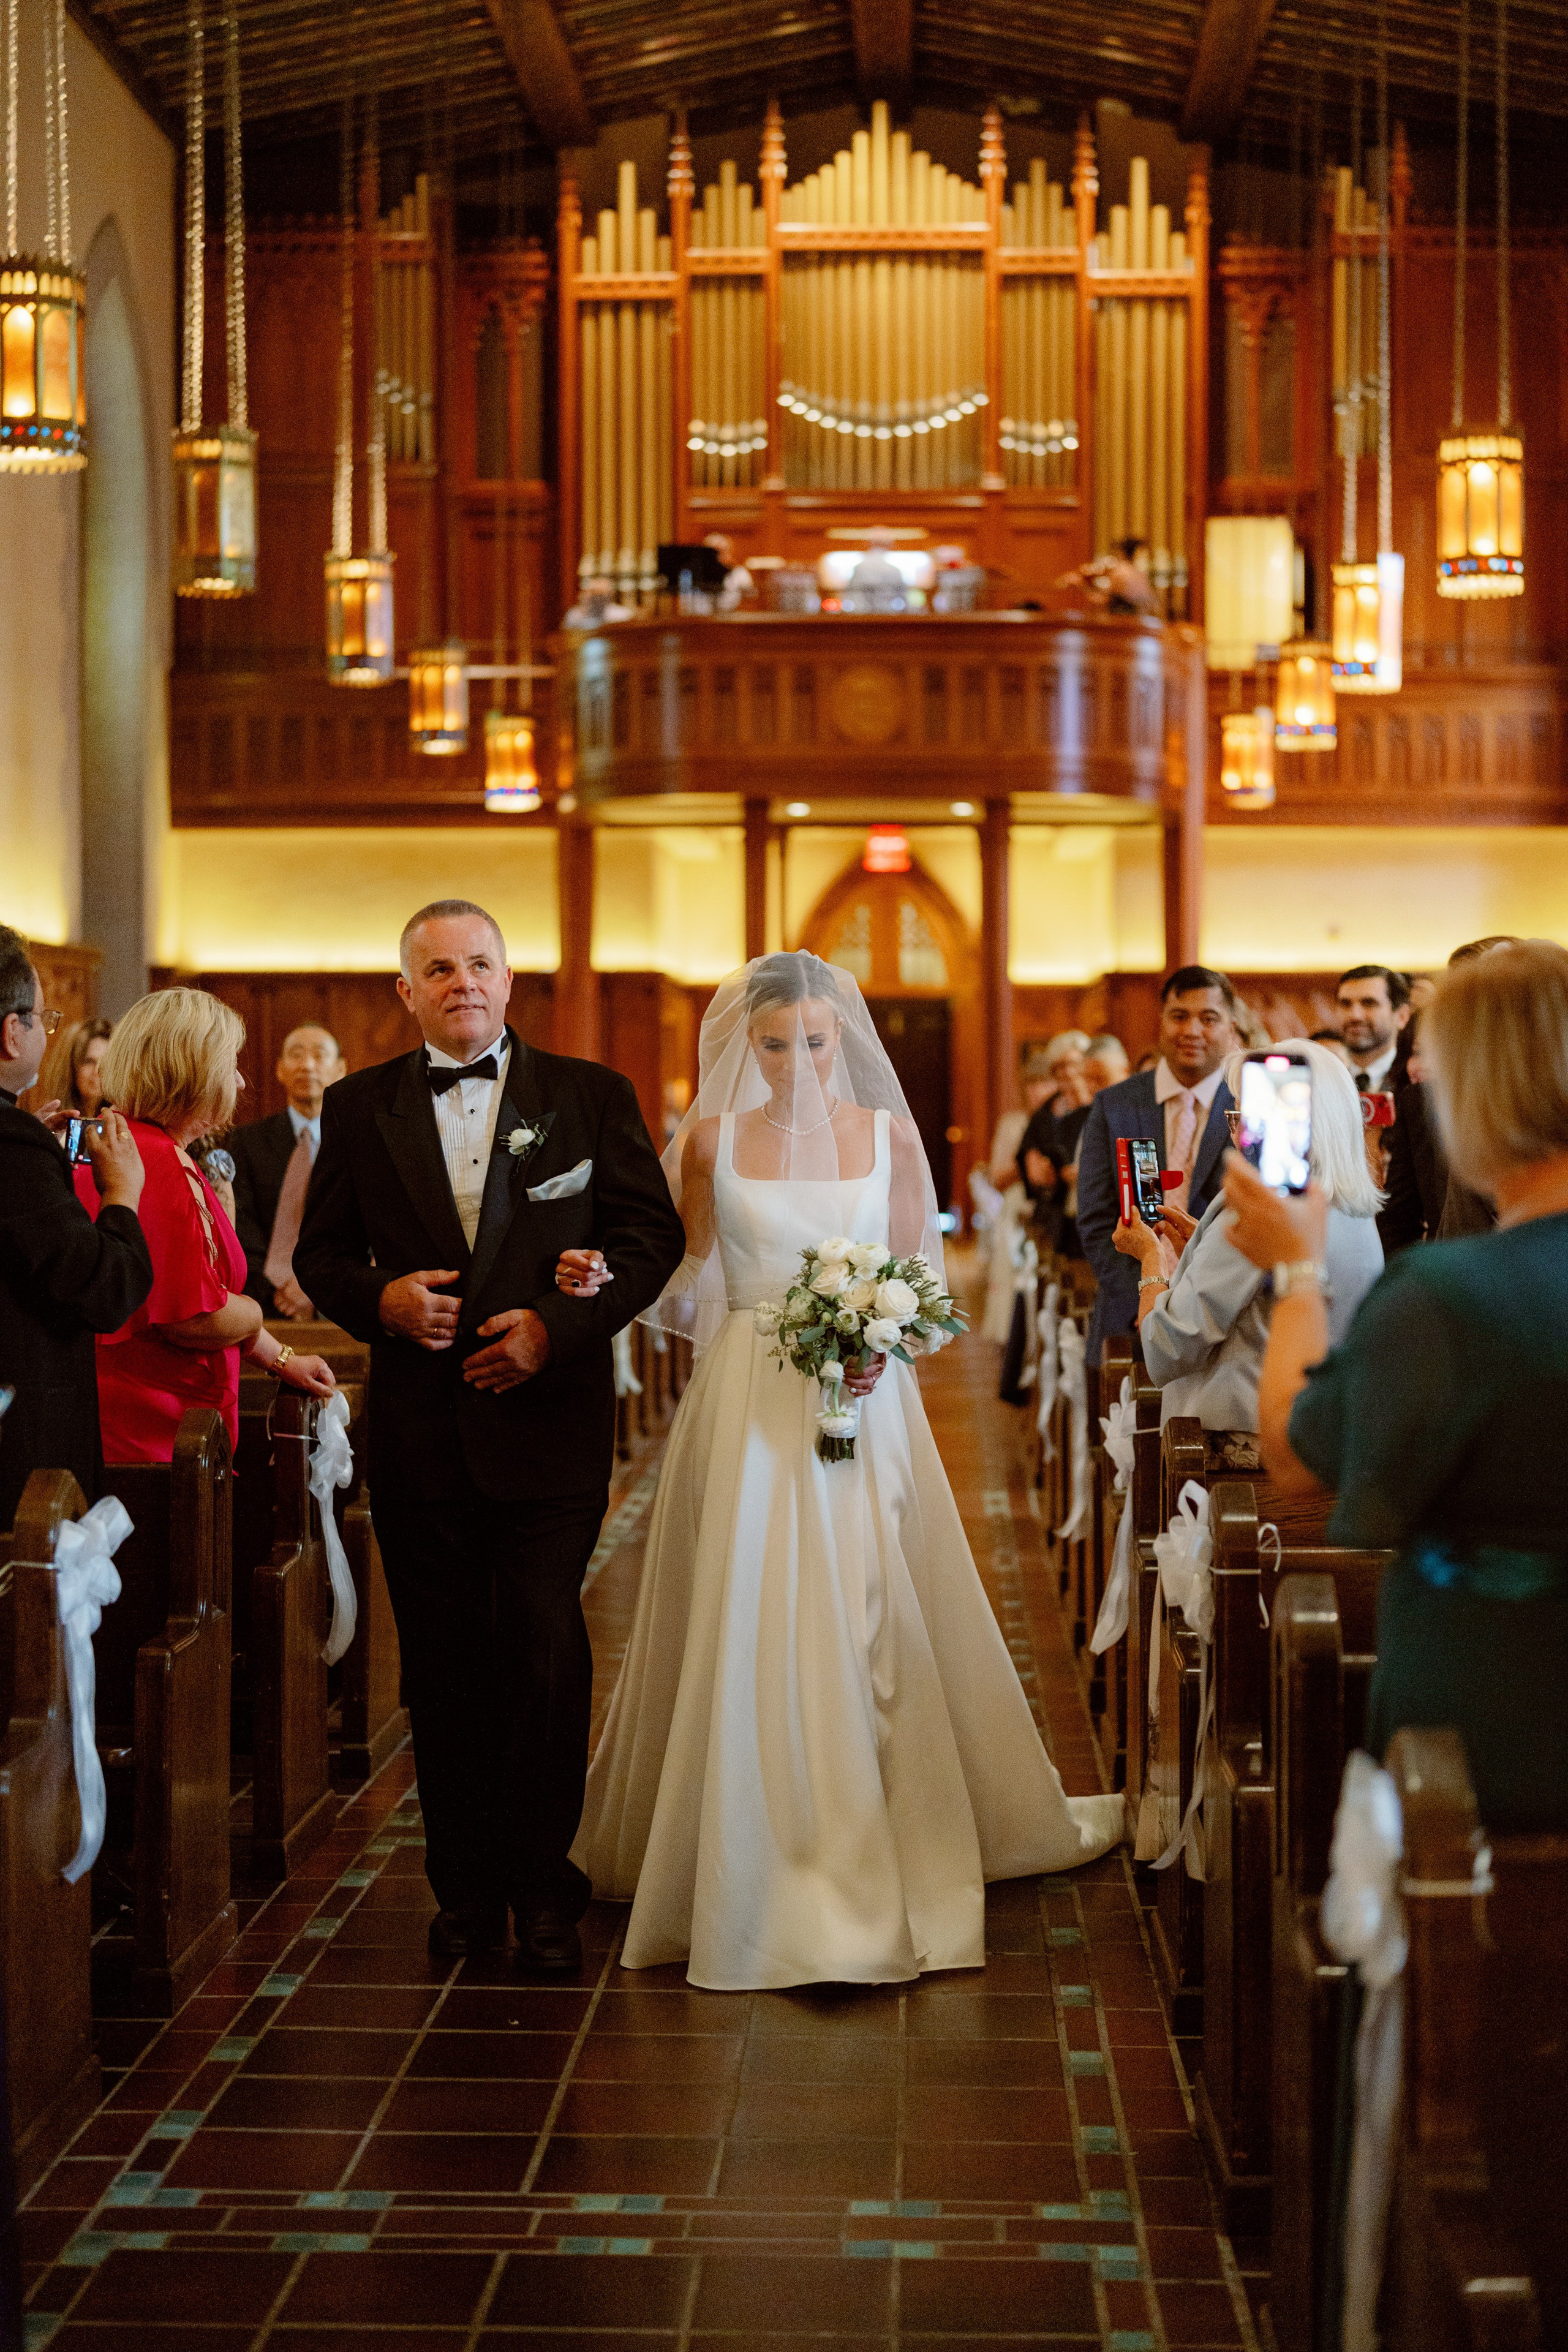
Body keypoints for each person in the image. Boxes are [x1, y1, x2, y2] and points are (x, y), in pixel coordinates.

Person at [562, 951, 1125, 1992]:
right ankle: (743, 1844)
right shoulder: (713, 1142)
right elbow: (691, 1278)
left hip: (866, 1400)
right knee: (749, 1592)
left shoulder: (891, 1136)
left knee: (867, 1591)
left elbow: (924, 1281)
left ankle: (875, 1824)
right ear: (747, 1045)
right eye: (774, 1044)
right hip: (747, 1393)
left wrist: (881, 1335)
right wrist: (608, 1275)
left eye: (815, 1042)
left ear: (841, 1040)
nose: (797, 1061)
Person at [293, 899, 687, 1975]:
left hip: (552, 1431)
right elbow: (321, 1257)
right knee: (447, 1667)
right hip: (423, 1436)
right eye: (437, 967)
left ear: (510, 981)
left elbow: (652, 1238)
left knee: (547, 1653)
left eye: (479, 964)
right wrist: (381, 1304)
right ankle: (464, 1891)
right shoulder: (360, 1106)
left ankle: (545, 1886)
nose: (461, 981)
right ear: (404, 991)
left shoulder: (589, 1096)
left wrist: (556, 1330)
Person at [1223, 938, 1568, 1834]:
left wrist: (1297, 1275)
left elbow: (1299, 1458)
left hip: (1496, 1738)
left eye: (1433, 1065)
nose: (1414, 1076)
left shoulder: (1451, 1296)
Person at [74, 990, 336, 1466]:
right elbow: (191, 1319)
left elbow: (201, 1292)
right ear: (192, 1073)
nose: (238, 1081)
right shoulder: (153, 1160)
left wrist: (283, 1360)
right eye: (229, 1064)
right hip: (154, 1437)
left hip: (164, 1430)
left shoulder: (145, 1146)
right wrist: (255, 1313)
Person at [1113, 1041, 1384, 1430]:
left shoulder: (1262, 1208)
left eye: (1240, 1114)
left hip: (1245, 1442)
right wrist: (1204, 1242)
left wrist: (1150, 1259)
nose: (1237, 1132)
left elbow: (1166, 1350)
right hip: (1331, 1430)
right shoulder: (1355, 1205)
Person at [0, 929, 152, 1529]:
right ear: (12, 1032)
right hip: (22, 1463)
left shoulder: (15, 1138)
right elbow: (103, 1289)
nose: (47, 1031)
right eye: (43, 1018)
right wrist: (122, 1193)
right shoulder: (11, 1144)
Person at [1076, 966, 1242, 1363]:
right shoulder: (1115, 1104)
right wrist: (1146, 1295)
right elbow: (1097, 1217)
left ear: (1232, 1028)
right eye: (1179, 1016)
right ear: (1162, 1021)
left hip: (1220, 1322)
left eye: (1209, 1018)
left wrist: (1201, 1304)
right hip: (1125, 1315)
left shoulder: (1246, 1106)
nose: (1192, 1030)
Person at [230, 1023, 347, 1319]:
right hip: (260, 1299)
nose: (307, 1065)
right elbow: (239, 1220)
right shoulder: (246, 1141)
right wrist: (278, 1287)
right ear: (280, 1069)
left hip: (340, 1301)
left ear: (341, 1069)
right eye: (296, 1055)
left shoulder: (358, 1141)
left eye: (320, 1056)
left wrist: (315, 1287)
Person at [1335, 964, 1411, 1093]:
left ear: (1401, 1016)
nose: (1355, 1016)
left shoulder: (1418, 1080)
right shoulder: (1322, 1078)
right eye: (1346, 1004)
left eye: (1369, 1003)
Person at [33, 1014, 111, 1121]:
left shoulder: (120, 1124)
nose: (97, 1071)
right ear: (71, 1067)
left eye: (105, 1063)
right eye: (89, 1062)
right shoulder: (52, 1123)